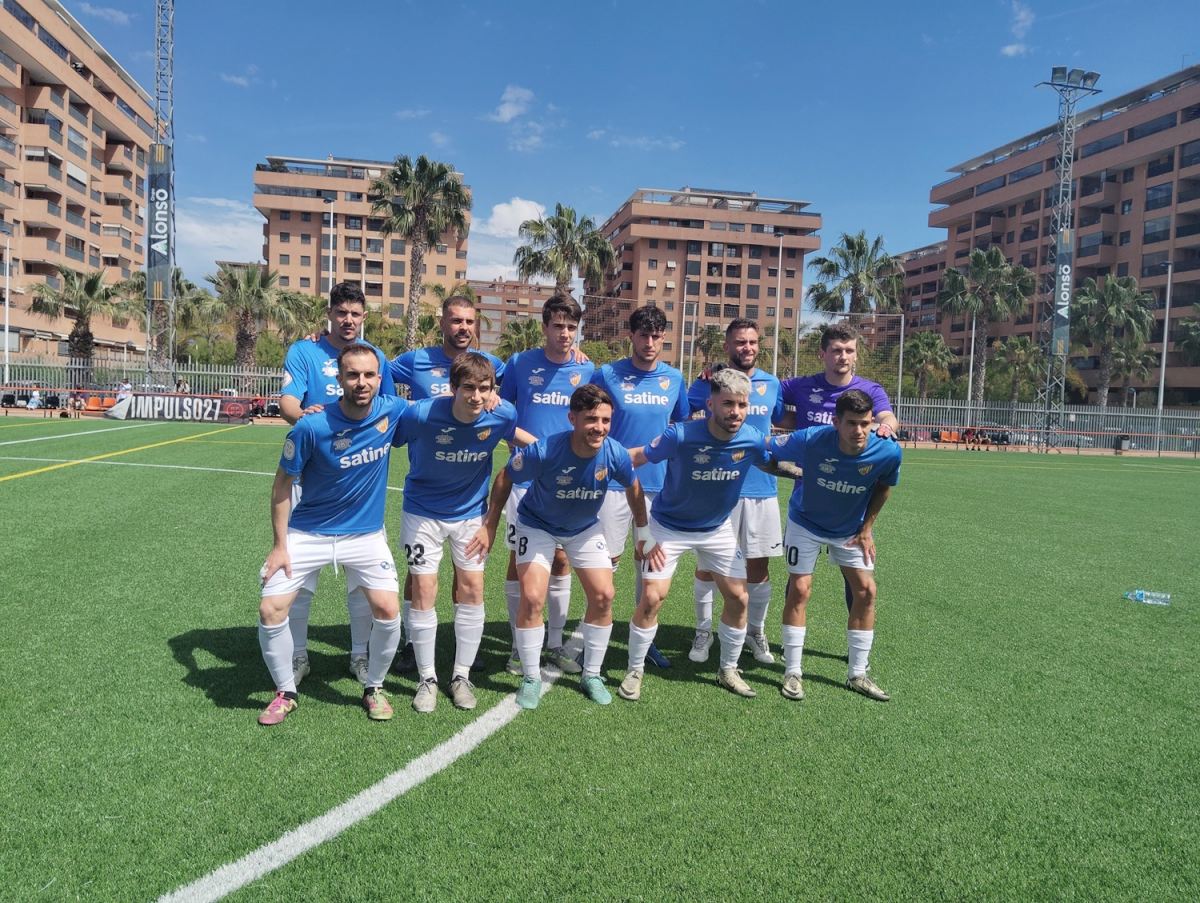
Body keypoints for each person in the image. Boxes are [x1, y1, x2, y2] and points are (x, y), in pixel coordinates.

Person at [479, 384, 661, 710]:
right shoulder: (546, 450)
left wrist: (644, 530)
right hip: (537, 525)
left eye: (605, 420)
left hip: (584, 528)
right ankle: (531, 677)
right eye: (591, 419)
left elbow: (633, 486)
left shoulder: (615, 453)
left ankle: (592, 674)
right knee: (532, 597)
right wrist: (490, 524)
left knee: (604, 595)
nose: (599, 427)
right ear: (572, 418)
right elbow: (506, 476)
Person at [255, 344, 407, 725]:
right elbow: (281, 486)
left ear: (379, 379)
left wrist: (488, 400)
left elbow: (443, 412)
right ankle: (286, 692)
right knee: (271, 609)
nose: (361, 382)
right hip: (309, 532)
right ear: (339, 379)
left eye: (369, 375)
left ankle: (374, 687)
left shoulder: (392, 411)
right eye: (352, 375)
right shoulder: (312, 426)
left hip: (364, 535)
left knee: (389, 610)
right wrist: (279, 545)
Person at [620, 367, 770, 702]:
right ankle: (635, 669)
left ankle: (728, 669)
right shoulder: (680, 435)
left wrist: (806, 471)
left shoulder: (751, 438)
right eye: (728, 403)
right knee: (652, 598)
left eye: (742, 405)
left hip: (717, 530)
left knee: (739, 598)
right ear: (710, 403)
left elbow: (772, 461)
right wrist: (595, 461)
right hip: (668, 527)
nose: (736, 412)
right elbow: (638, 457)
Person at [396, 352, 535, 713]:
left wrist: (559, 454)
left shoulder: (502, 414)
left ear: (493, 390)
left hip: (472, 515)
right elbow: (385, 434)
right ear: (452, 387)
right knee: (424, 589)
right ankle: (427, 678)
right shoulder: (421, 414)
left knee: (472, 588)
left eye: (484, 388)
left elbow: (517, 438)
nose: (476, 396)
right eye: (469, 388)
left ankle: (461, 676)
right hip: (422, 514)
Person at [279, 282, 395, 686]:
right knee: (298, 583)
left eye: (355, 314)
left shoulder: (375, 357)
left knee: (362, 584)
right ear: (329, 313)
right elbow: (288, 401)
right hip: (311, 480)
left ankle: (359, 655)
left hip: (360, 486)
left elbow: (387, 409)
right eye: (341, 312)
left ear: (364, 317)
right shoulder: (304, 351)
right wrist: (306, 417)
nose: (348, 320)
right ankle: (298, 655)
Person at [388, 294, 507, 673]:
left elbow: (507, 390)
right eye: (456, 320)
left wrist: (495, 394)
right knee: (419, 576)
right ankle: (412, 641)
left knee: (465, 574)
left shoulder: (490, 365)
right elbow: (380, 372)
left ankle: (462, 645)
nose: (463, 328)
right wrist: (398, 406)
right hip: (427, 481)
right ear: (442, 322)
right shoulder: (416, 361)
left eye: (470, 321)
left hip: (469, 490)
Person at [768, 389, 902, 702]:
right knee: (800, 589)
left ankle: (857, 674)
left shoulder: (888, 450)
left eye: (865, 423)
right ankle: (793, 672)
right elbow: (765, 450)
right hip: (805, 524)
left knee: (866, 591)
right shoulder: (811, 439)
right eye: (852, 423)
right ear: (836, 422)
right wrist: (796, 472)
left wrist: (867, 529)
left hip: (850, 530)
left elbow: (885, 486)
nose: (859, 431)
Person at [498, 294, 595, 676]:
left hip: (569, 481)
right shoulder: (520, 364)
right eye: (558, 326)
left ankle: (554, 644)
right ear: (545, 327)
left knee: (561, 558)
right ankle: (517, 642)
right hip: (526, 476)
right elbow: (503, 416)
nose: (565, 334)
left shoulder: (587, 369)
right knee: (519, 560)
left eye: (571, 327)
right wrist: (537, 447)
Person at [590, 305, 690, 669]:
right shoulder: (607, 374)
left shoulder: (674, 379)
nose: (649, 342)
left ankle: (642, 641)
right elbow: (588, 412)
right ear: (631, 336)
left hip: (659, 487)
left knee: (649, 562)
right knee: (606, 562)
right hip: (614, 484)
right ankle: (594, 635)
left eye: (656, 336)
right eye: (643, 335)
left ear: (664, 338)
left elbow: (681, 426)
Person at [778, 322, 899, 613]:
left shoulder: (870, 389)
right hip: (808, 494)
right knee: (799, 580)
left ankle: (857, 633)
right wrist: (792, 422)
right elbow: (766, 393)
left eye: (849, 350)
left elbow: (888, 417)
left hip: (850, 499)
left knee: (857, 581)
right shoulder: (801, 386)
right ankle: (790, 630)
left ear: (856, 354)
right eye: (836, 350)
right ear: (823, 354)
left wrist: (885, 427)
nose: (843, 356)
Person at [686, 319, 784, 667]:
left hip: (761, 490)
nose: (747, 348)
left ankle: (755, 631)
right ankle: (703, 631)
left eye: (753, 342)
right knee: (708, 567)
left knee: (758, 566)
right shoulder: (707, 383)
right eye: (740, 342)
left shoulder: (772, 384)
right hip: (717, 486)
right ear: (727, 346)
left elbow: (780, 420)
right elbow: (685, 412)